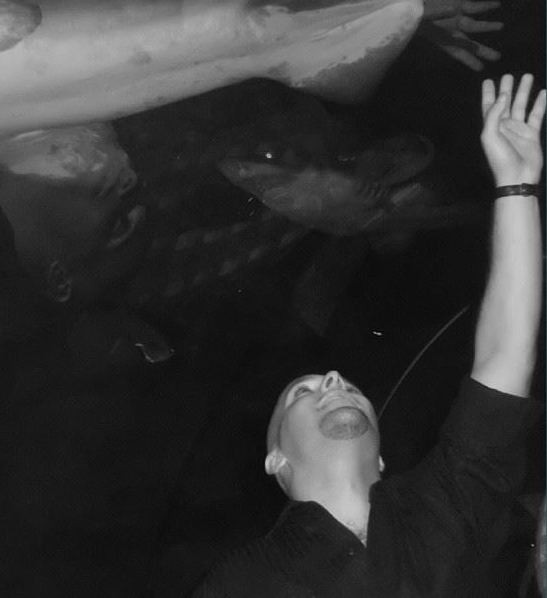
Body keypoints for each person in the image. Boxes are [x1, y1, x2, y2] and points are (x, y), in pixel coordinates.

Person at [192, 73, 546, 597]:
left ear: (382, 454)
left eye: (341, 384)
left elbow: (504, 353)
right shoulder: (242, 581)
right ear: (275, 461)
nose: (333, 379)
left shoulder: (451, 501)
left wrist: (517, 186)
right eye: (302, 392)